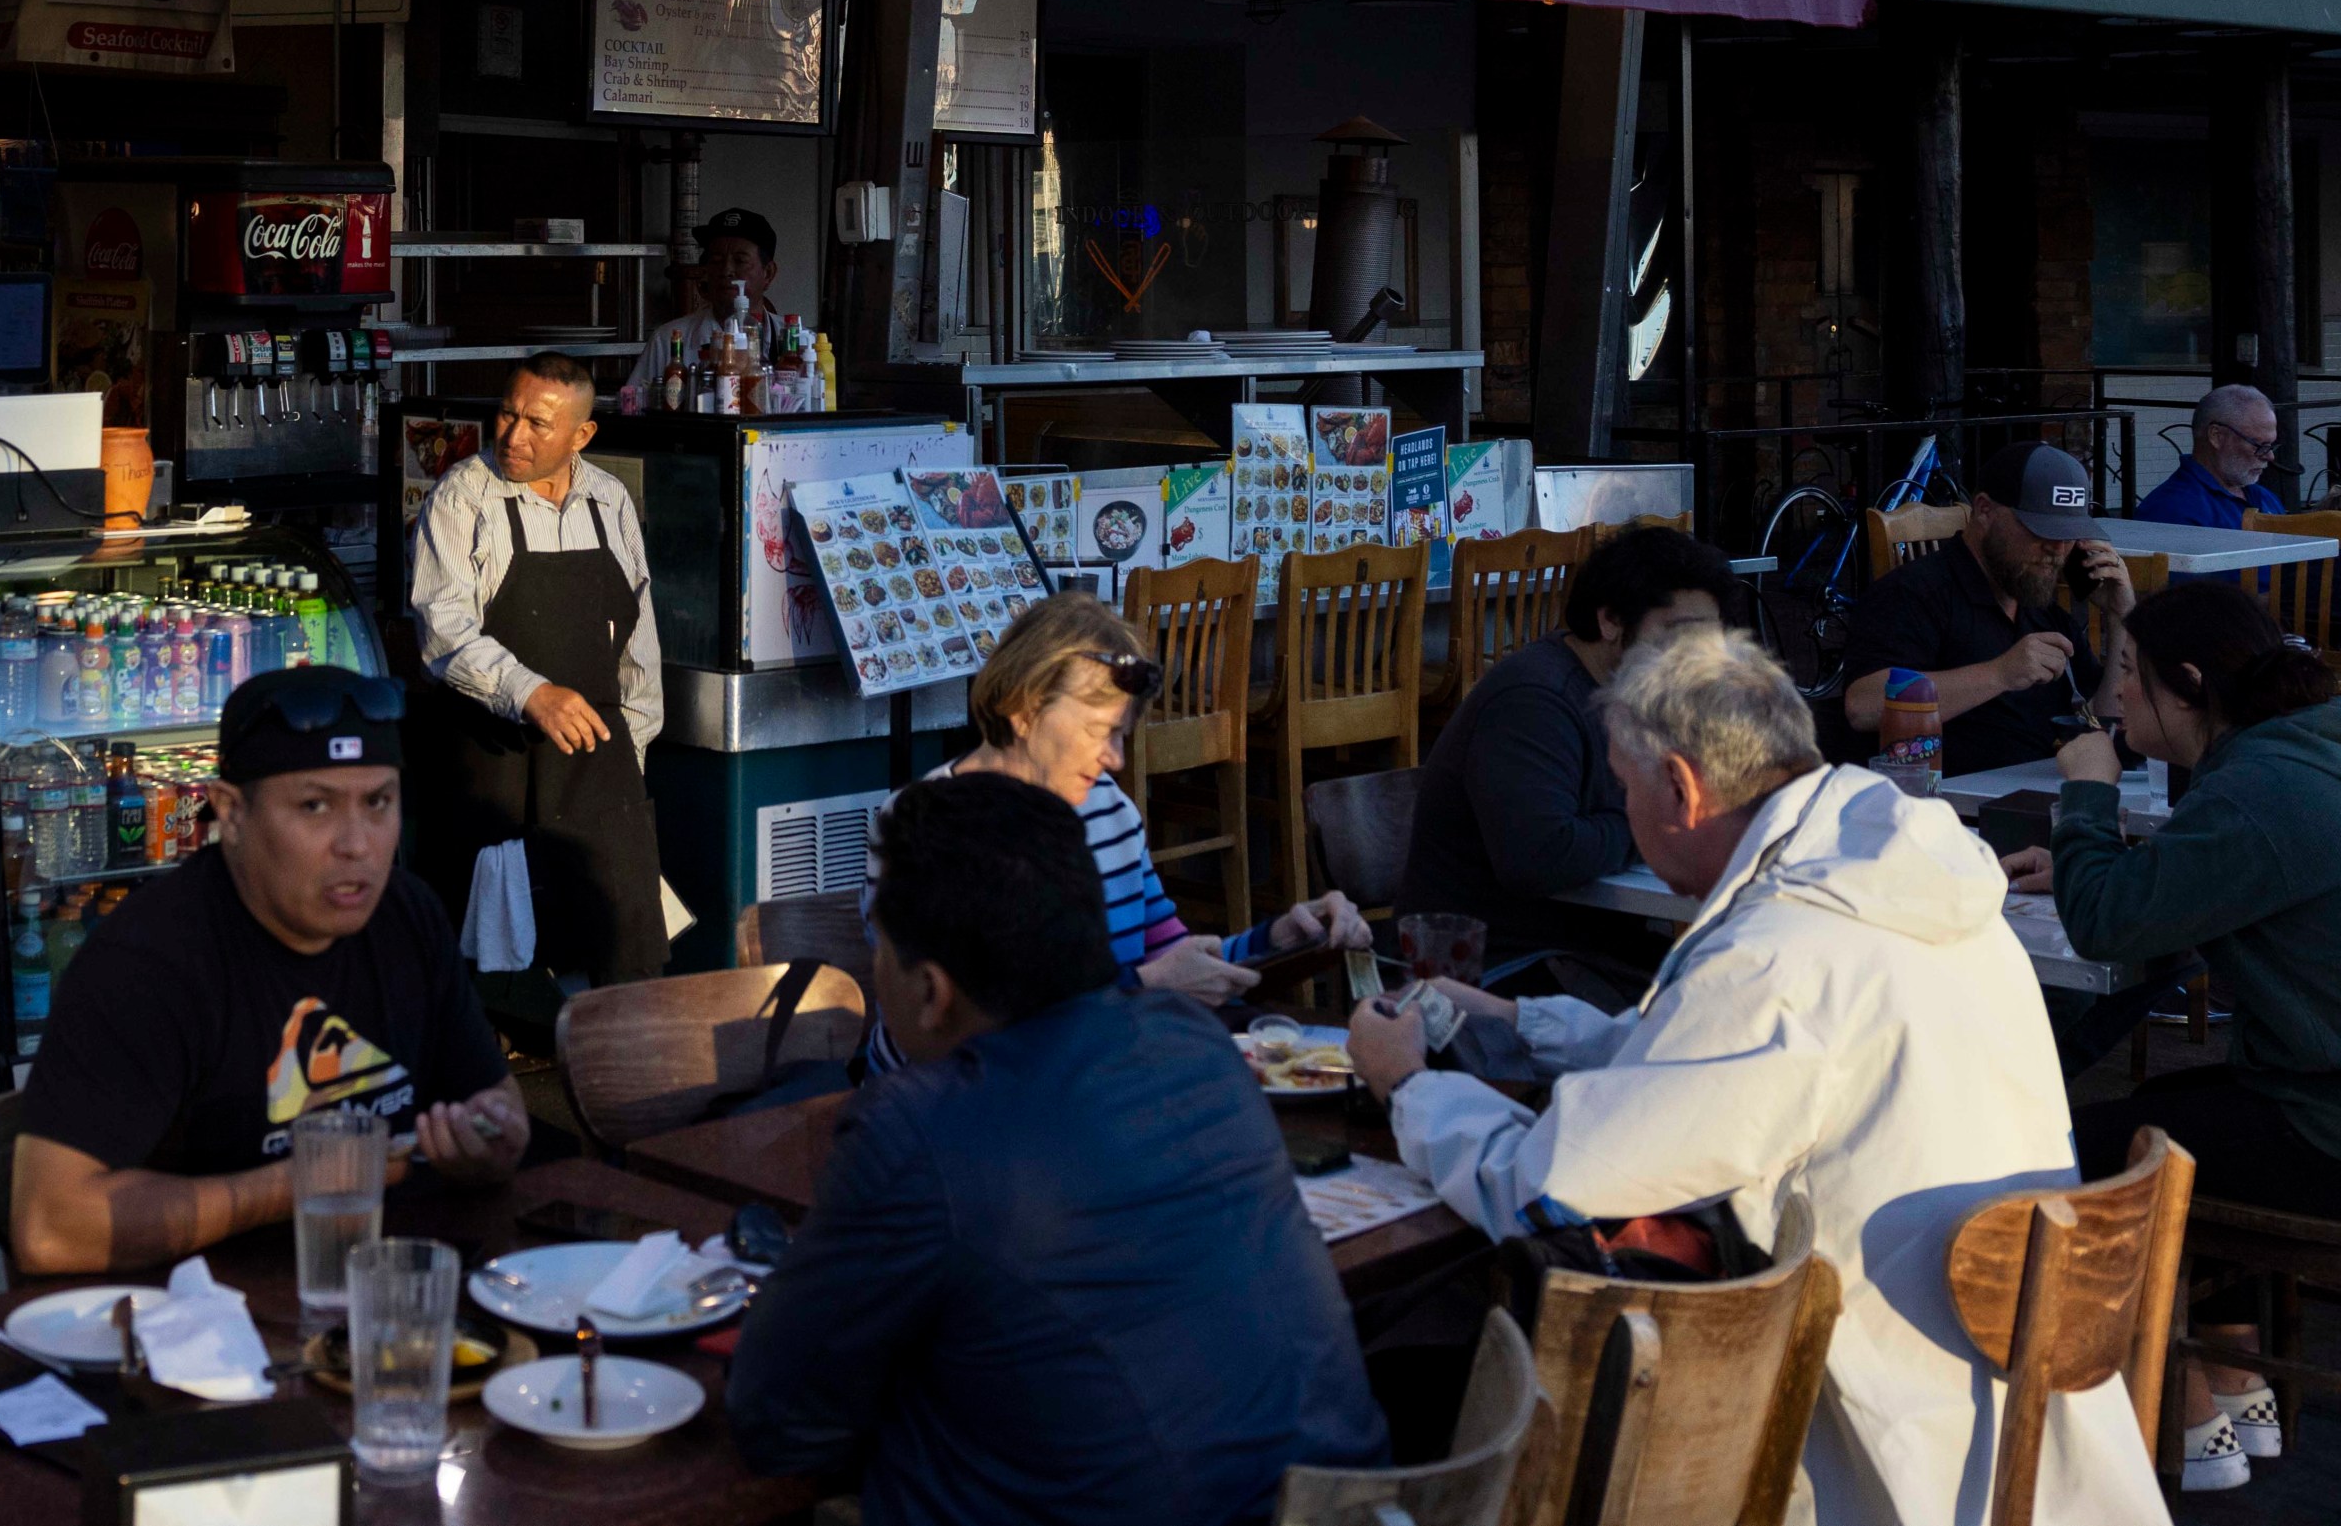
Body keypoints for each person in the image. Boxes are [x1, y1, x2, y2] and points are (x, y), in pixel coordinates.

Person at [1351, 629, 2163, 1526]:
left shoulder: (1782, 958)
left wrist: (1411, 1090)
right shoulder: (1891, 865)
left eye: (1624, 787)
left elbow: (1552, 1187)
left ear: (1679, 787)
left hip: (1892, 1455)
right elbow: (1704, 1051)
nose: (1624, 810)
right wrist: (1519, 1020)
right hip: (2031, 1410)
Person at [731, 774, 1385, 1523]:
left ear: (932, 990)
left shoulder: (913, 1127)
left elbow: (777, 1420)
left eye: (881, 947)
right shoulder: (1200, 1047)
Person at [9, 663, 531, 1275]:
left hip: (389, 1298)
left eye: (378, 802)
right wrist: (300, 1182)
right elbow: (49, 1228)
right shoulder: (147, 961)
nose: (357, 844)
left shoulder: (407, 914)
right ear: (229, 814)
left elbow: (503, 1110)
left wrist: (483, 1146)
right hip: (197, 1332)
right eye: (315, 806)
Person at [1998, 581, 2341, 1493]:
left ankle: (2145, 1421)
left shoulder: (2258, 790)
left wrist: (2087, 798)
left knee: (2086, 1154)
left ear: (2184, 685)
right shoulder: (2302, 751)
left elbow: (2110, 923)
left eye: (2127, 673)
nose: (2113, 696)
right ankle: (2235, 1392)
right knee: (2170, 1115)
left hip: (2324, 1127)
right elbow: (2239, 876)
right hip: (2307, 1095)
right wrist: (2112, 864)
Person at [927, 595, 1366, 1000]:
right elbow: (964, 1028)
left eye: (1123, 736)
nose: (1116, 760)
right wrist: (1145, 986)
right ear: (1024, 709)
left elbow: (1174, 960)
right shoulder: (927, 828)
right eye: (1100, 732)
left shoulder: (1109, 810)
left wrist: (1280, 941)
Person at [408, 352, 669, 984]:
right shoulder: (461, 496)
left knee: (627, 947)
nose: (513, 436)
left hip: (595, 755)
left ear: (582, 435)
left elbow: (638, 637)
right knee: (481, 958)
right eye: (507, 412)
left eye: (538, 424)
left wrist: (628, 754)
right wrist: (531, 693)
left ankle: (635, 1076)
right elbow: (443, 628)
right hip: (492, 755)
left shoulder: (609, 501)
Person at [1399, 526, 1740, 965]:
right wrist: (1653, 822)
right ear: (1611, 620)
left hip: (1587, 947)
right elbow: (1540, 856)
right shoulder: (1534, 701)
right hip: (1500, 966)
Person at [1842, 440, 2124, 774]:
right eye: (2041, 531)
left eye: (2068, 535)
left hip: (2036, 796)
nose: (2057, 550)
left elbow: (2105, 720)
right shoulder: (1915, 592)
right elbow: (1863, 705)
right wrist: (1999, 673)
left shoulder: (2040, 607)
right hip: (1953, 808)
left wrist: (2122, 617)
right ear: (1985, 511)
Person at [644, 206, 801, 388]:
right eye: (716, 261)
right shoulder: (668, 340)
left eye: (740, 261)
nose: (726, 271)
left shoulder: (801, 345)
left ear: (768, 273)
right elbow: (636, 406)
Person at [2132, 384, 2290, 530]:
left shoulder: (2264, 497)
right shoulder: (2171, 509)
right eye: (2258, 445)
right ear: (2216, 436)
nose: (2270, 456)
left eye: (2270, 445)